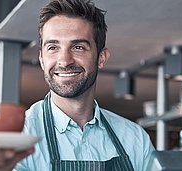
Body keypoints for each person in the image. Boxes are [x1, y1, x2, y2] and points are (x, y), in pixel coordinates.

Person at [15, 0, 155, 170]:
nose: (65, 61)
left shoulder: (134, 139)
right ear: (42, 60)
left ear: (101, 58)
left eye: (78, 47)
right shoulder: (19, 137)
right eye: (53, 47)